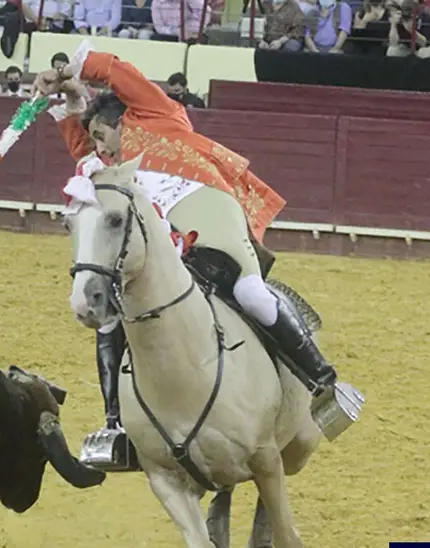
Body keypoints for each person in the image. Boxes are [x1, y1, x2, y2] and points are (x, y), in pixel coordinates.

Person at [32, 41, 341, 470]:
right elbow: (85, 158)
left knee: (250, 291)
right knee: (113, 318)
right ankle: (116, 426)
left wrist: (75, 67)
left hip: (213, 223)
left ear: (122, 123)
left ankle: (323, 382)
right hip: (174, 252)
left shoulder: (158, 116)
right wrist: (69, 103)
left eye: (102, 136)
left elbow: (121, 74)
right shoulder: (116, 170)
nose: (100, 149)